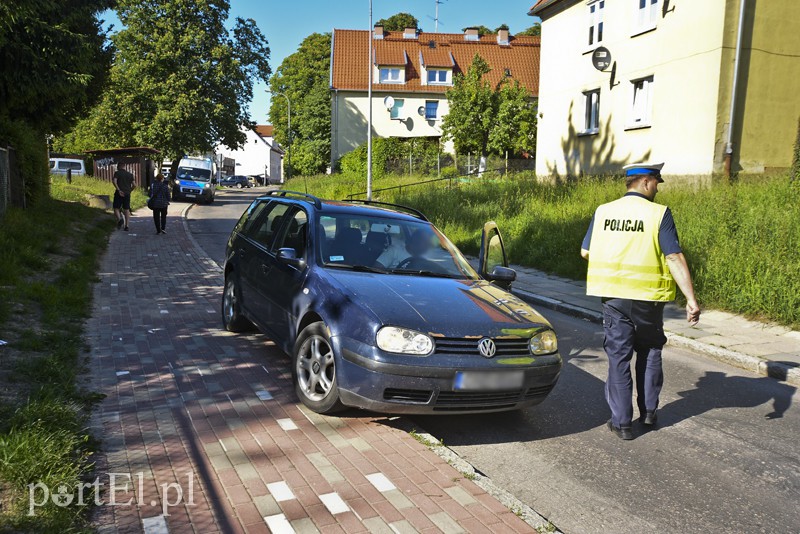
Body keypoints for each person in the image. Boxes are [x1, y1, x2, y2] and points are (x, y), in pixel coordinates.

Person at [580, 162, 700, 441]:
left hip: (614, 299)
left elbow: (586, 251)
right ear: (646, 182)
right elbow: (673, 257)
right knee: (650, 351)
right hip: (648, 300)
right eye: (657, 182)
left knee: (619, 357)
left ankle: (622, 424)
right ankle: (648, 412)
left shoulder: (604, 211)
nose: (658, 188)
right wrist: (691, 299)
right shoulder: (659, 214)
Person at [112, 164, 136, 231]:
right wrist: (130, 190)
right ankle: (127, 226)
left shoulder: (117, 173)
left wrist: (119, 190)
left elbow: (114, 181)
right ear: (124, 167)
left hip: (119, 193)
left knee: (116, 207)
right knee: (126, 208)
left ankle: (120, 219)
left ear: (118, 167)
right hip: (127, 193)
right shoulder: (130, 174)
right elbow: (134, 185)